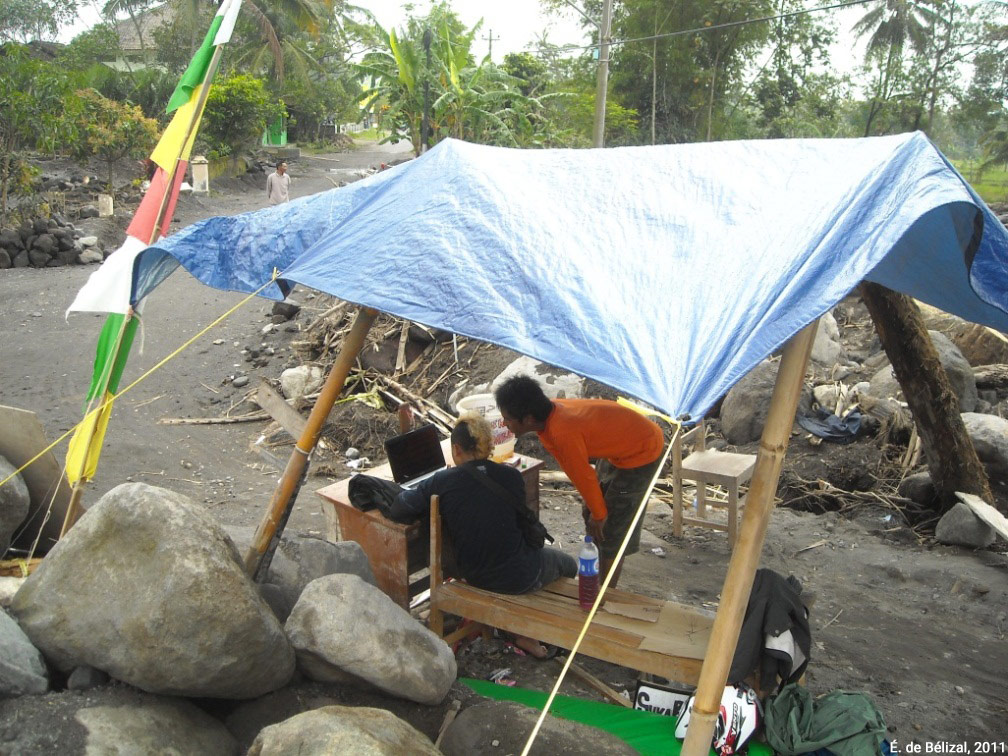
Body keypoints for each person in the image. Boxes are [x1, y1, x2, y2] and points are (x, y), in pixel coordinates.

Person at [388, 413, 576, 658]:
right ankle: (529, 630)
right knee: (569, 564)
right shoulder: (511, 477)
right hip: (522, 575)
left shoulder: (442, 481)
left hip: (474, 576)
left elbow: (399, 509)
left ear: (455, 449)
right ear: (488, 447)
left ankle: (523, 629)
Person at [494, 375, 664, 590]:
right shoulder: (549, 419)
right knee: (592, 513)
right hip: (619, 445)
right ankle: (597, 565)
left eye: (507, 418)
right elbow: (581, 475)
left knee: (610, 528)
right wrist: (594, 510)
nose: (504, 424)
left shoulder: (563, 433)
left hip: (643, 449)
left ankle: (604, 596)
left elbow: (583, 475)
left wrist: (600, 515)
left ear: (527, 419)